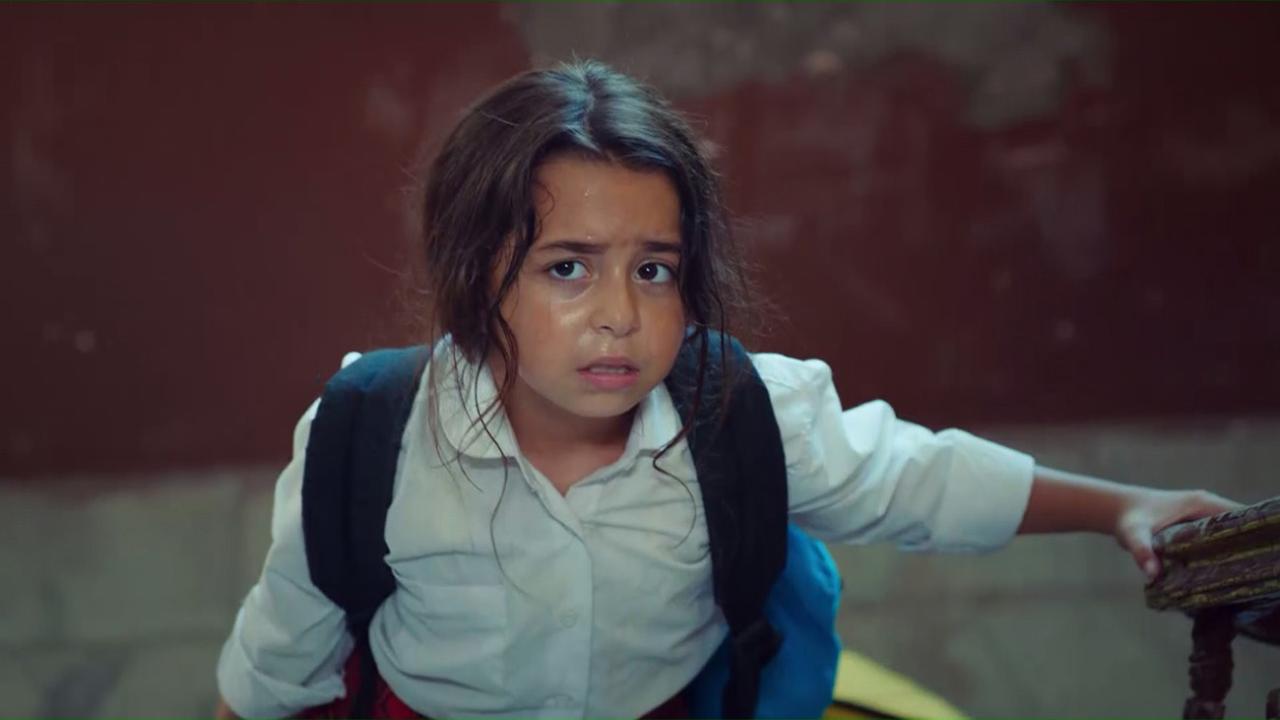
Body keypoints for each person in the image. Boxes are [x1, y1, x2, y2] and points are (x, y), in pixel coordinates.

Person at [214, 59, 1240, 719]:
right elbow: (272, 670)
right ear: (473, 272)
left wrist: (1122, 508)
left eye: (654, 269)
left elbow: (915, 479)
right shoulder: (372, 433)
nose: (620, 314)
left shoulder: (738, 415)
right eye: (567, 267)